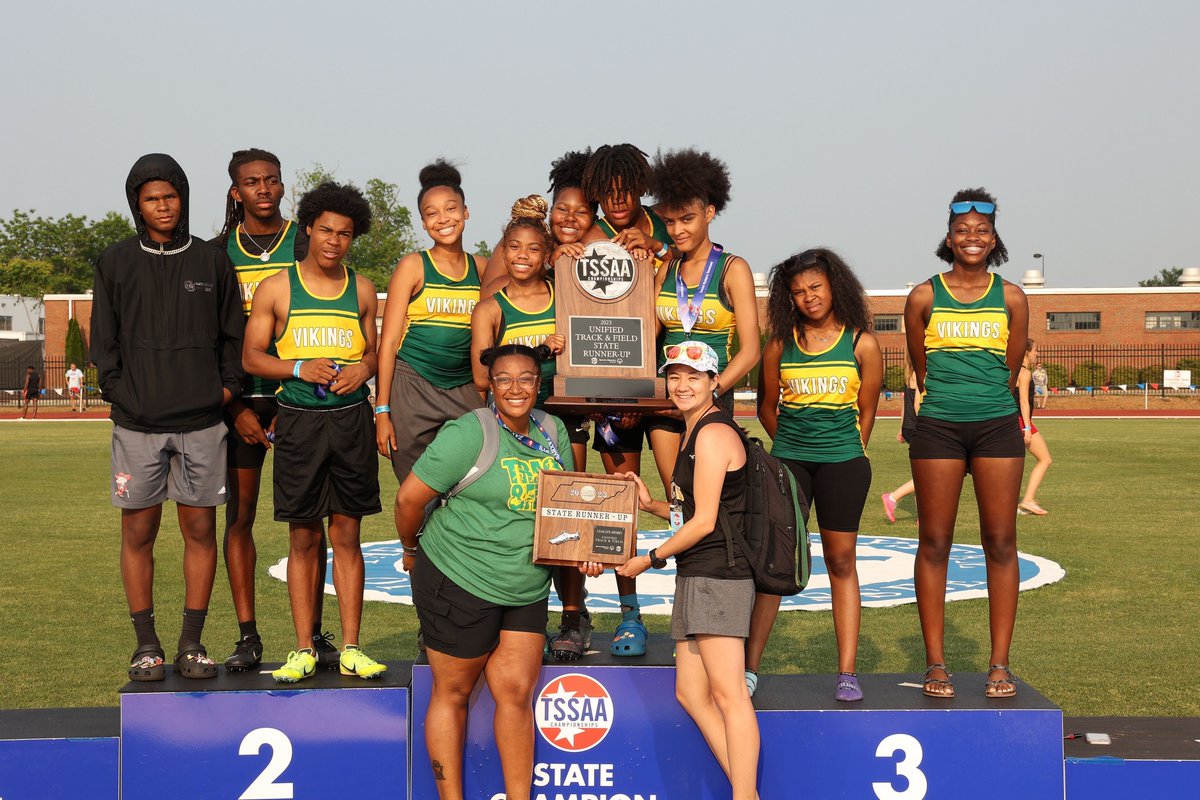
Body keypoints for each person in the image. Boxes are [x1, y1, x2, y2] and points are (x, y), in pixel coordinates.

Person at [395, 344, 589, 800]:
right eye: (504, 379)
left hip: (526, 583)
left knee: (517, 693)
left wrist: (585, 551)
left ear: (538, 384)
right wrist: (410, 548)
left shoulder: (552, 430)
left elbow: (567, 507)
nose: (515, 388)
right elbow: (408, 500)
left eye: (525, 379)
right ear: (490, 385)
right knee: (453, 692)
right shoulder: (469, 432)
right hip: (459, 576)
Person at [90, 153, 245, 681]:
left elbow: (233, 336)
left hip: (202, 423)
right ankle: (146, 645)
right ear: (137, 204)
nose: (163, 206)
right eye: (152, 198)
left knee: (200, 530)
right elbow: (104, 342)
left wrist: (224, 389)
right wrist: (121, 392)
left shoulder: (211, 261)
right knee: (139, 533)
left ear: (183, 198)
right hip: (138, 425)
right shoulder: (115, 261)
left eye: (170, 195)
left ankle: (191, 643)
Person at [243, 181, 386, 683]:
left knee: (347, 534)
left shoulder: (362, 289)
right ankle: (303, 648)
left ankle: (351, 648)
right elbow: (251, 357)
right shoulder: (277, 287)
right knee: (303, 535)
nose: (334, 241)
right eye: (326, 230)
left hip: (350, 421)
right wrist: (298, 366)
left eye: (344, 234)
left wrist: (364, 369)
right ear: (308, 228)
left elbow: (373, 353)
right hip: (300, 422)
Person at [616, 341, 759, 800]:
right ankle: (747, 792)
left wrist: (649, 559)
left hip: (719, 575)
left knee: (729, 695)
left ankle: (744, 795)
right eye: (674, 376)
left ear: (715, 382)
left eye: (694, 377)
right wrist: (651, 504)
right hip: (698, 573)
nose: (682, 385)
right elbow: (690, 511)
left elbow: (704, 523)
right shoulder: (693, 430)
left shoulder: (713, 433)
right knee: (691, 694)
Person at [903, 188, 1029, 699]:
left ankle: (1000, 664)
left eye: (981, 230)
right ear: (949, 237)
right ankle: (936, 664)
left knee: (1000, 542)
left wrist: (982, 400)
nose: (971, 237)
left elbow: (1011, 369)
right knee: (934, 543)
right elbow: (921, 366)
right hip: (939, 427)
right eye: (962, 230)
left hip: (997, 427)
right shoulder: (923, 297)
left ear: (994, 238)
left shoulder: (1013, 297)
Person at [214, 147, 336, 672]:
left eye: (272, 180)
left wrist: (299, 401)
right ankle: (248, 636)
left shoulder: (305, 242)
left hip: (299, 402)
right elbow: (210, 336)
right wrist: (234, 408)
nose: (263, 189)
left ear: (283, 186)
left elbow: (329, 318)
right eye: (252, 182)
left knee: (311, 523)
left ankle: (313, 634)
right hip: (240, 402)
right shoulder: (218, 251)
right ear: (236, 191)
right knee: (240, 517)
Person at [755, 248, 883, 702]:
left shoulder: (862, 343)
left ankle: (846, 672)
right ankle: (749, 668)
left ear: (834, 287)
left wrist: (843, 449)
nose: (808, 297)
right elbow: (766, 408)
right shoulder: (779, 343)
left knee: (841, 562)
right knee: (775, 562)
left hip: (843, 464)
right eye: (798, 292)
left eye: (816, 287)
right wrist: (791, 448)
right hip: (790, 462)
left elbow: (867, 410)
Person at [469, 195, 592, 660]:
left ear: (548, 255)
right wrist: (538, 352)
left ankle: (573, 617)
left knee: (568, 518)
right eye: (514, 248)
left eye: (534, 249)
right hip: (512, 426)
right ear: (503, 252)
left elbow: (593, 346)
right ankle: (518, 618)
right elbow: (482, 376)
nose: (523, 256)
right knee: (518, 516)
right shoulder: (490, 309)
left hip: (562, 420)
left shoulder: (566, 296)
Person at [576, 143, 673, 655]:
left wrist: (656, 248)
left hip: (669, 384)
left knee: (684, 499)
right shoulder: (588, 236)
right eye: (607, 192)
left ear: (640, 188)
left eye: (625, 191)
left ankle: (696, 608)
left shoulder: (664, 225)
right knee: (619, 503)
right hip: (615, 388)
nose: (617, 201)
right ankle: (630, 616)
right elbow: (582, 316)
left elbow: (699, 262)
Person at [376, 160, 484, 530]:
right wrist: (382, 411)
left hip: (464, 386)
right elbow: (389, 342)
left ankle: (464, 556)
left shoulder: (482, 268)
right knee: (417, 492)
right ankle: (415, 557)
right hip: (413, 385)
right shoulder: (413, 265)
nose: (443, 219)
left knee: (475, 482)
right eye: (431, 213)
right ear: (423, 223)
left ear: (466, 212)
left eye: (451, 209)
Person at [649, 147, 760, 499]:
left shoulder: (733, 269)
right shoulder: (666, 270)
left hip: (712, 397)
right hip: (668, 399)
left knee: (710, 502)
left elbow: (751, 351)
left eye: (687, 219)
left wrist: (711, 391)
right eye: (670, 221)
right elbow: (647, 338)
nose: (677, 230)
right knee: (677, 498)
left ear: (709, 213)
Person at [478, 148, 596, 296]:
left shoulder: (599, 253)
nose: (570, 218)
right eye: (562, 209)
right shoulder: (522, 238)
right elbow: (488, 294)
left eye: (581, 212)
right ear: (550, 212)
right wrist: (548, 264)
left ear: (594, 219)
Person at [882, 351, 921, 523]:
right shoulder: (921, 374)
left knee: (921, 471)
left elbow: (905, 405)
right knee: (925, 475)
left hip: (909, 427)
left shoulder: (909, 374)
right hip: (918, 427)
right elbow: (917, 405)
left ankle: (922, 517)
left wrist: (901, 428)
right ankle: (892, 497)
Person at [1016, 339, 1053, 515]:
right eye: (1035, 350)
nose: (1037, 353)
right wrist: (1027, 428)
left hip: (1014, 420)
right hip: (1020, 422)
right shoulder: (1024, 373)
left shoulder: (1010, 370)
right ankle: (1028, 500)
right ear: (1026, 352)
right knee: (1045, 459)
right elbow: (1024, 401)